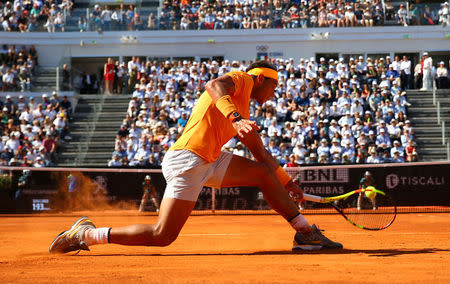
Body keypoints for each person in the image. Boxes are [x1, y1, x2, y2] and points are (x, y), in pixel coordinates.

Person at [49, 61, 343, 254]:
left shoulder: (246, 107)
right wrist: (236, 118)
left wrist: (285, 183)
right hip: (188, 159)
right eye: (274, 86)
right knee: (162, 235)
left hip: (210, 159)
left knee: (264, 174)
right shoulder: (242, 80)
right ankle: (87, 234)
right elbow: (213, 86)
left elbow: (259, 152)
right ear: (262, 79)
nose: (274, 93)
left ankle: (305, 233)